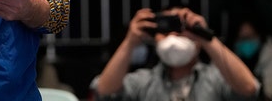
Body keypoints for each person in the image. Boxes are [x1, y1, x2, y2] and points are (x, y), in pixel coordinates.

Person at [92, 6, 260, 100]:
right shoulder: (144, 82)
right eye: (166, 30)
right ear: (154, 39)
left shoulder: (216, 79)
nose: (173, 35)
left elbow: (249, 88)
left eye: (181, 29)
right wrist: (130, 42)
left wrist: (207, 38)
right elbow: (105, 92)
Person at [229, 17, 272, 100]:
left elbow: (268, 95)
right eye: (242, 39)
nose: (246, 42)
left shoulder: (269, 56)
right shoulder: (231, 58)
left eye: (249, 37)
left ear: (259, 37)